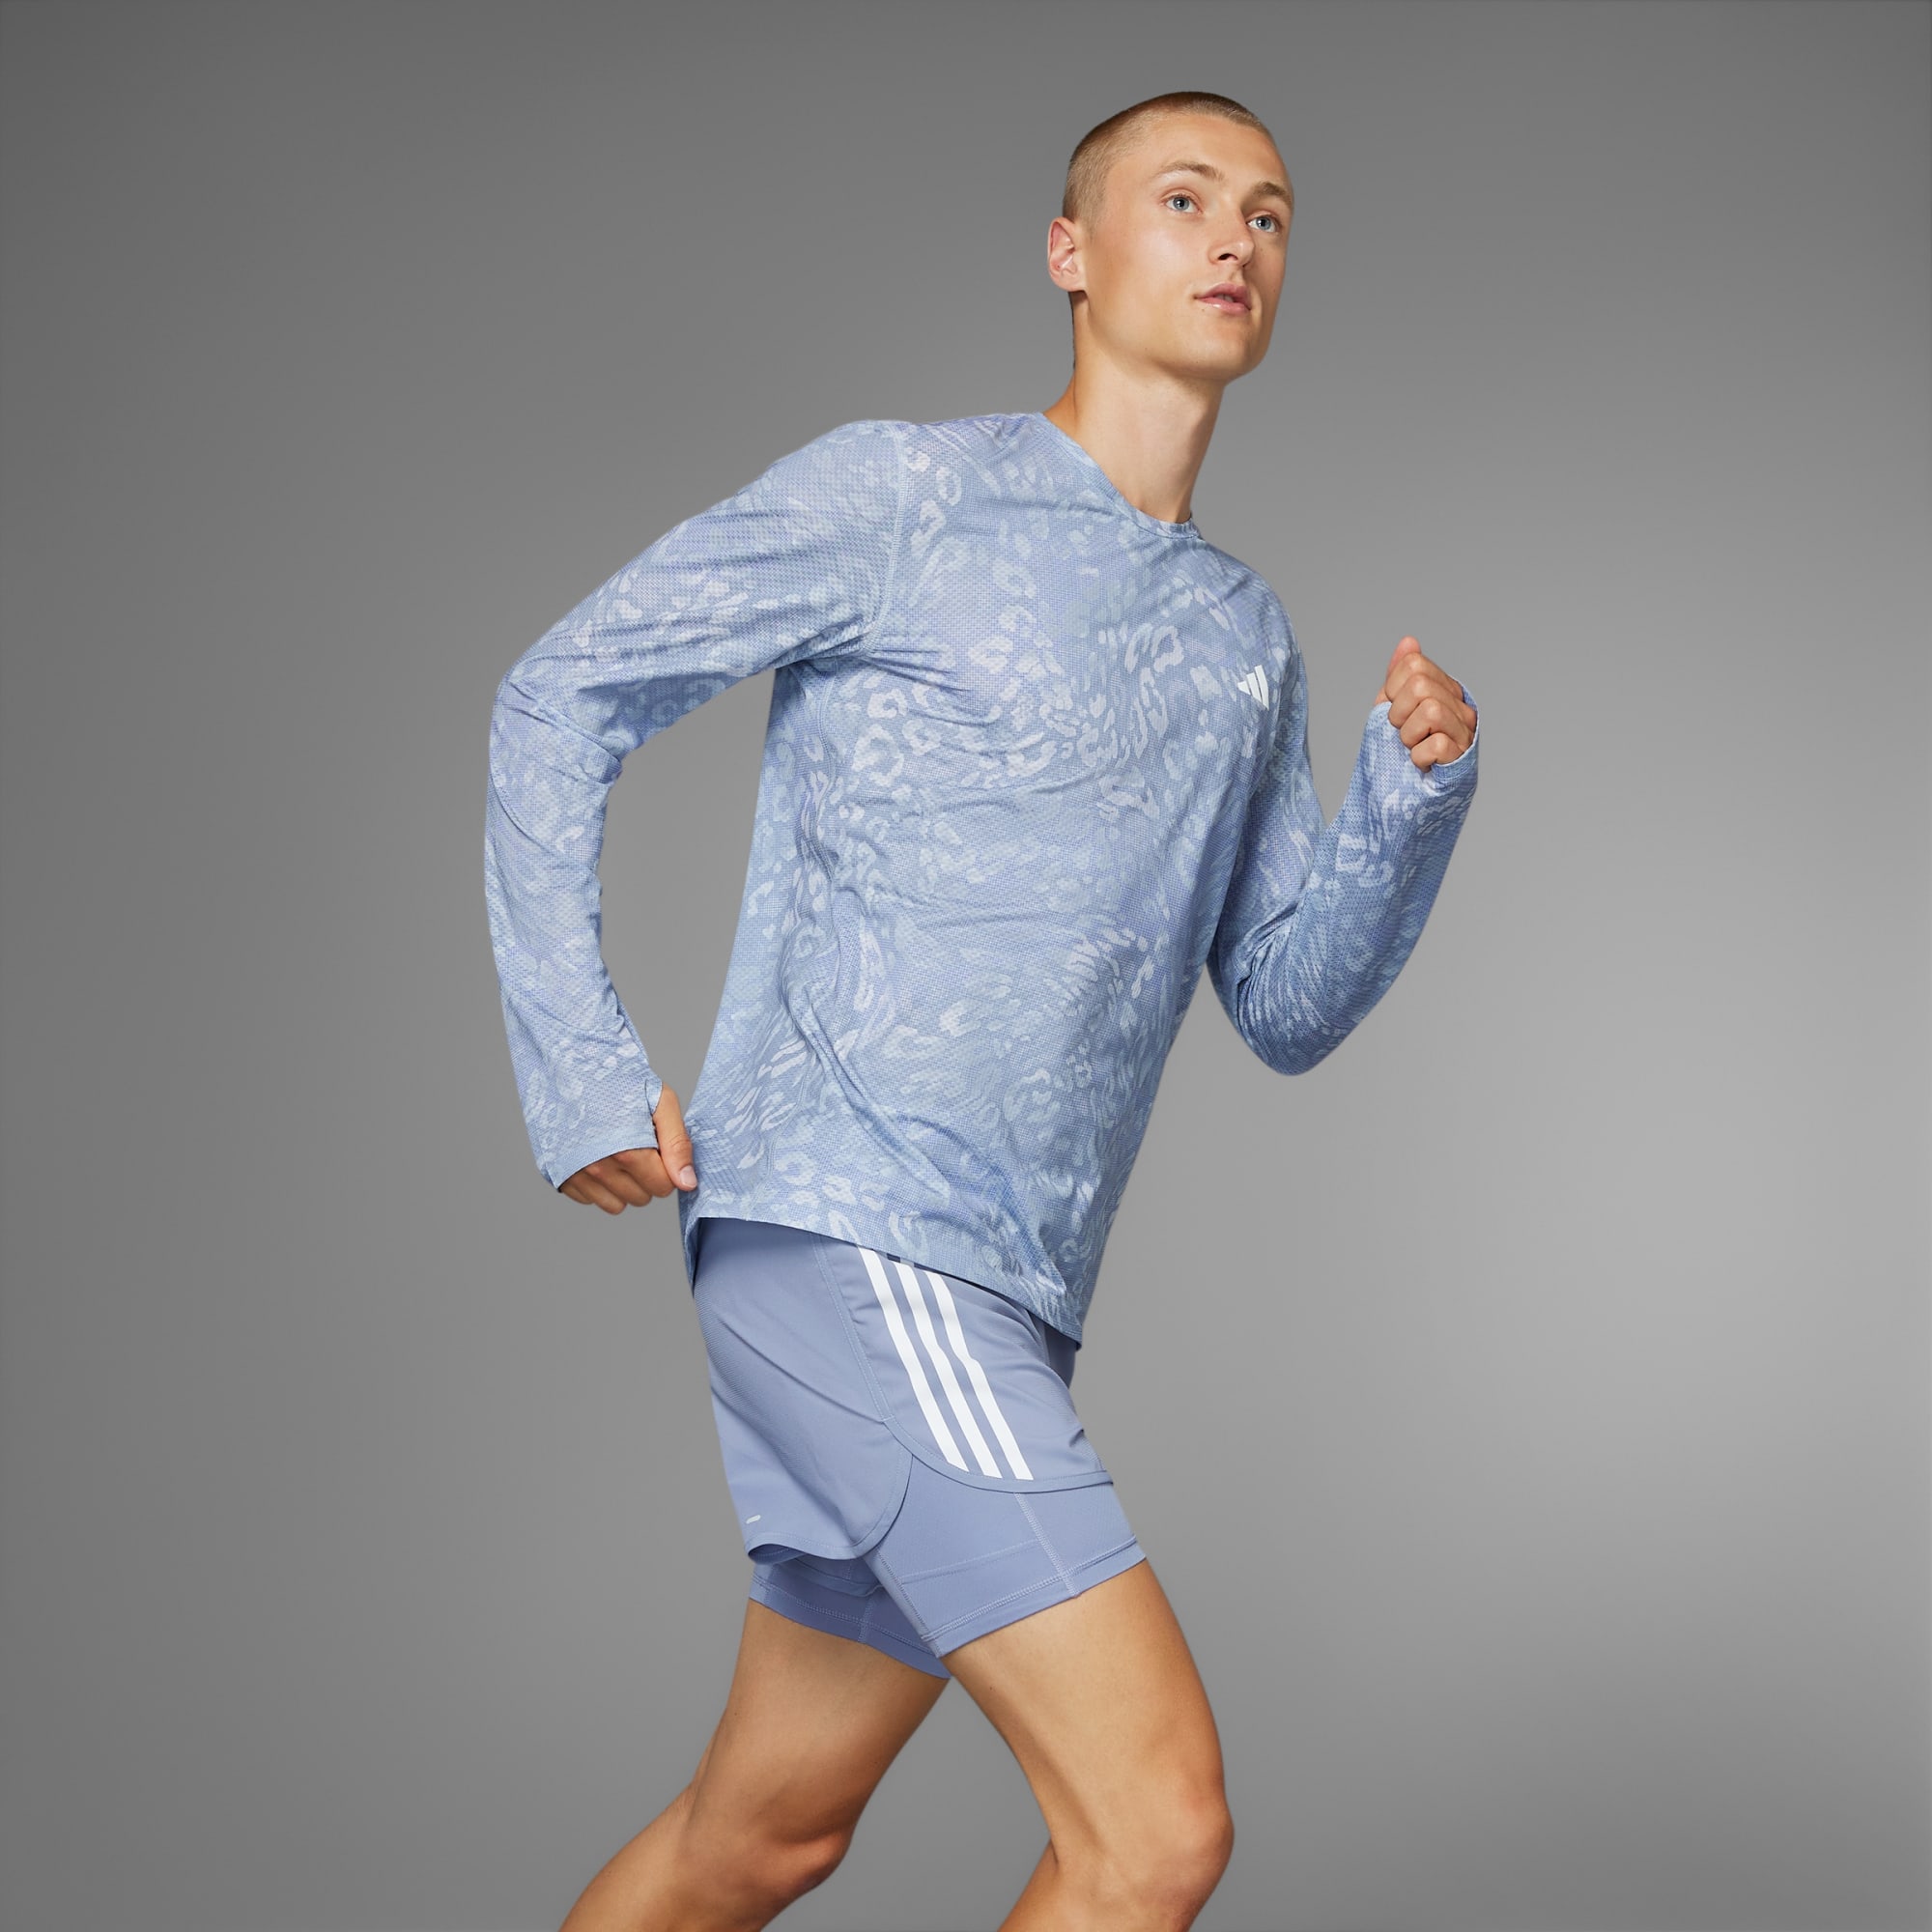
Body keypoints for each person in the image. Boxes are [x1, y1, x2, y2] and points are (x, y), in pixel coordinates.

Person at [484, 88, 1479, 1932]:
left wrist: (1409, 806)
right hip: (857, 1243)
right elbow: (560, 696)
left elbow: (1283, 999)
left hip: (999, 1293)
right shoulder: (904, 496)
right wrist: (581, 1063)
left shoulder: (1244, 638)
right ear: (1070, 253)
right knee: (1154, 1828)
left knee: (760, 1838)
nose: (1235, 239)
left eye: (1268, 215)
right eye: (1184, 200)